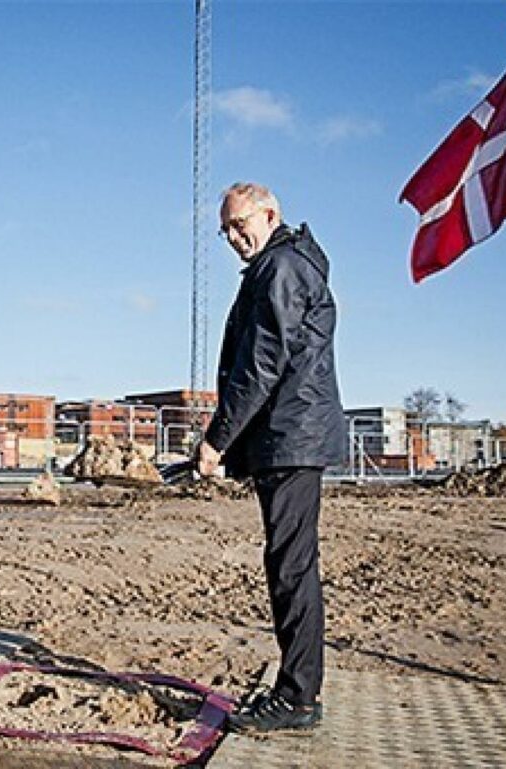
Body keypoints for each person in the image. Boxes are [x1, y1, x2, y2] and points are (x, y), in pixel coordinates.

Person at [195, 182, 346, 731]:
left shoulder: (282, 268)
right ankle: (297, 689)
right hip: (288, 436)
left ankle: (298, 697)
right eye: (226, 231)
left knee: (291, 566)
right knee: (289, 562)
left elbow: (261, 364)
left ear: (270, 214)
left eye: (241, 224)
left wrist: (217, 440)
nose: (235, 238)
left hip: (292, 437)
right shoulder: (282, 265)